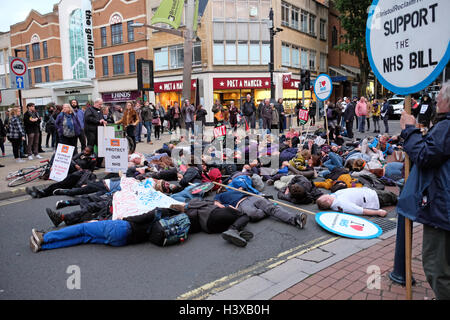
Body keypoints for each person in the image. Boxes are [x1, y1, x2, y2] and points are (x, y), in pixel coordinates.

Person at [397, 82, 450, 300]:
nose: (435, 99)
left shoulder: (446, 126)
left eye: (439, 95)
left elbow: (426, 156)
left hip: (443, 210)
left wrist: (409, 130)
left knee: (437, 268)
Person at [214, 188, 307, 230]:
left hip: (251, 197)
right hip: (241, 204)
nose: (221, 189)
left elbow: (245, 189)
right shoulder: (219, 196)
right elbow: (216, 204)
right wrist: (228, 207)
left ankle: (295, 219)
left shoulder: (233, 190)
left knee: (271, 208)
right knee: (255, 214)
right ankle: (270, 209)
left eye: (222, 188)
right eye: (220, 189)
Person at [316, 187, 398, 217]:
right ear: (327, 200)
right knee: (394, 197)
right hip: (374, 198)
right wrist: (378, 213)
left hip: (369, 192)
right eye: (324, 196)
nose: (325, 194)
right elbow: (361, 211)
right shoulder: (342, 204)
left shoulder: (333, 197)